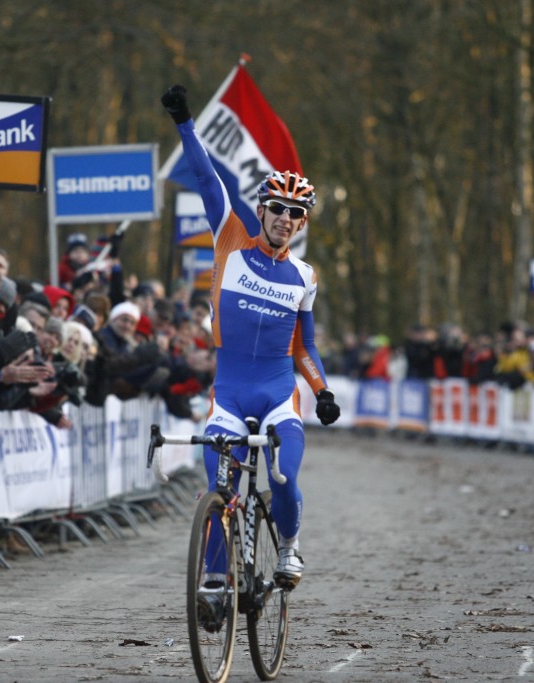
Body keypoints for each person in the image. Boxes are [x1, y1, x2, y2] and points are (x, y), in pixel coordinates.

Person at [161, 85, 340, 591]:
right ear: (261, 210)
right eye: (277, 208)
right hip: (230, 393)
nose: (285, 218)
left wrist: (322, 391)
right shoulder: (230, 240)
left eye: (295, 213)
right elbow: (204, 176)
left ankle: (289, 545)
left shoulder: (305, 275)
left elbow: (303, 346)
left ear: (301, 223)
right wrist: (184, 123)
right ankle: (217, 579)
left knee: (282, 474)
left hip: (279, 393)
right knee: (220, 486)